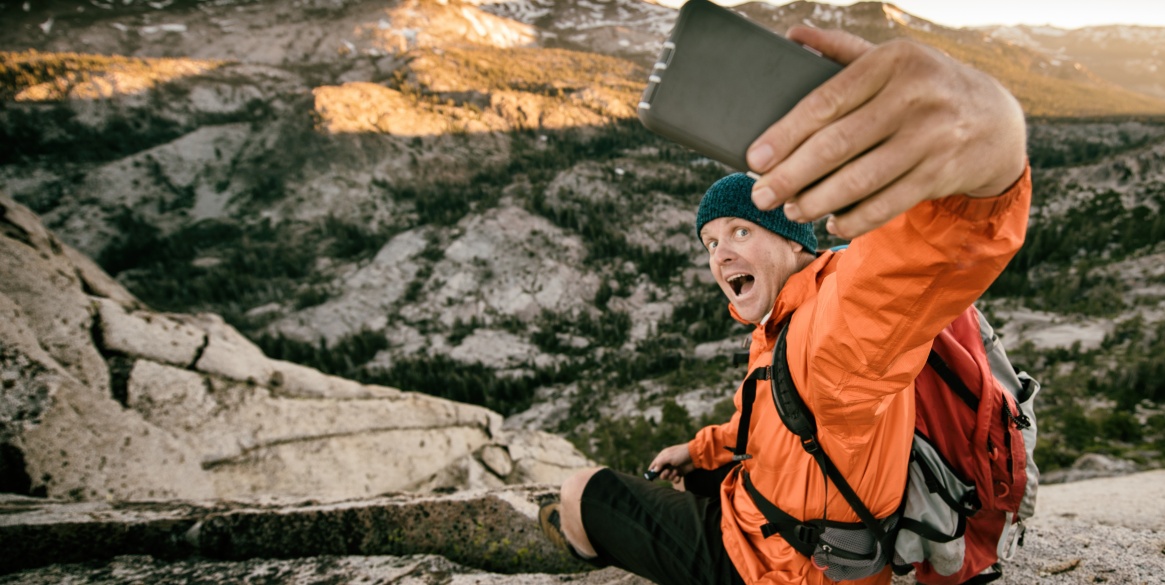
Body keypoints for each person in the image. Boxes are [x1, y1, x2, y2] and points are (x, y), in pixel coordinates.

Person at [539, 24, 1032, 585]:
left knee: (581, 492)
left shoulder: (834, 324)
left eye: (741, 232)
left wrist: (988, 144)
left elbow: (922, 257)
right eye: (711, 242)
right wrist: (701, 452)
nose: (721, 254)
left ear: (796, 239)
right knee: (683, 478)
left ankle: (579, 556)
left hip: (778, 567)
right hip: (778, 526)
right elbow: (775, 422)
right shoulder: (787, 318)